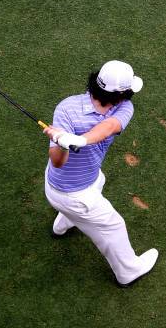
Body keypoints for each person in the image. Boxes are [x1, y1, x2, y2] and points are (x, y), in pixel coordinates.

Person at [42, 60, 158, 287]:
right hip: (72, 195)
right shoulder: (67, 109)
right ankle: (129, 272)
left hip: (77, 183)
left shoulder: (123, 108)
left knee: (99, 180)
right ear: (121, 93)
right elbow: (57, 162)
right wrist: (62, 144)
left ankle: (63, 224)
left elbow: (109, 127)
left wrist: (78, 139)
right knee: (114, 226)